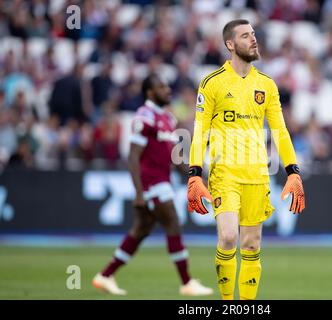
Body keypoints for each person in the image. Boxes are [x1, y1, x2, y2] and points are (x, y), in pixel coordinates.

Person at [187, 19, 306, 300]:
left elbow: (280, 131)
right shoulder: (212, 83)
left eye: (253, 34)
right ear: (230, 44)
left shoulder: (266, 84)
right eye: (245, 36)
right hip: (224, 173)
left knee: (251, 245)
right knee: (228, 237)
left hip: (257, 174)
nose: (253, 39)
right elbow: (199, 132)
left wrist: (293, 172)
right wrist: (194, 173)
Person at [93, 74, 213, 296]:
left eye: (167, 85)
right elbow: (133, 156)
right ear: (150, 93)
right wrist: (139, 193)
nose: (168, 89)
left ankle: (105, 275)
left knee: (140, 231)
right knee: (173, 224)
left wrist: (196, 177)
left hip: (162, 179)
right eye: (161, 87)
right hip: (152, 182)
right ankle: (186, 282)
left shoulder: (167, 118)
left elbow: (174, 159)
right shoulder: (144, 117)